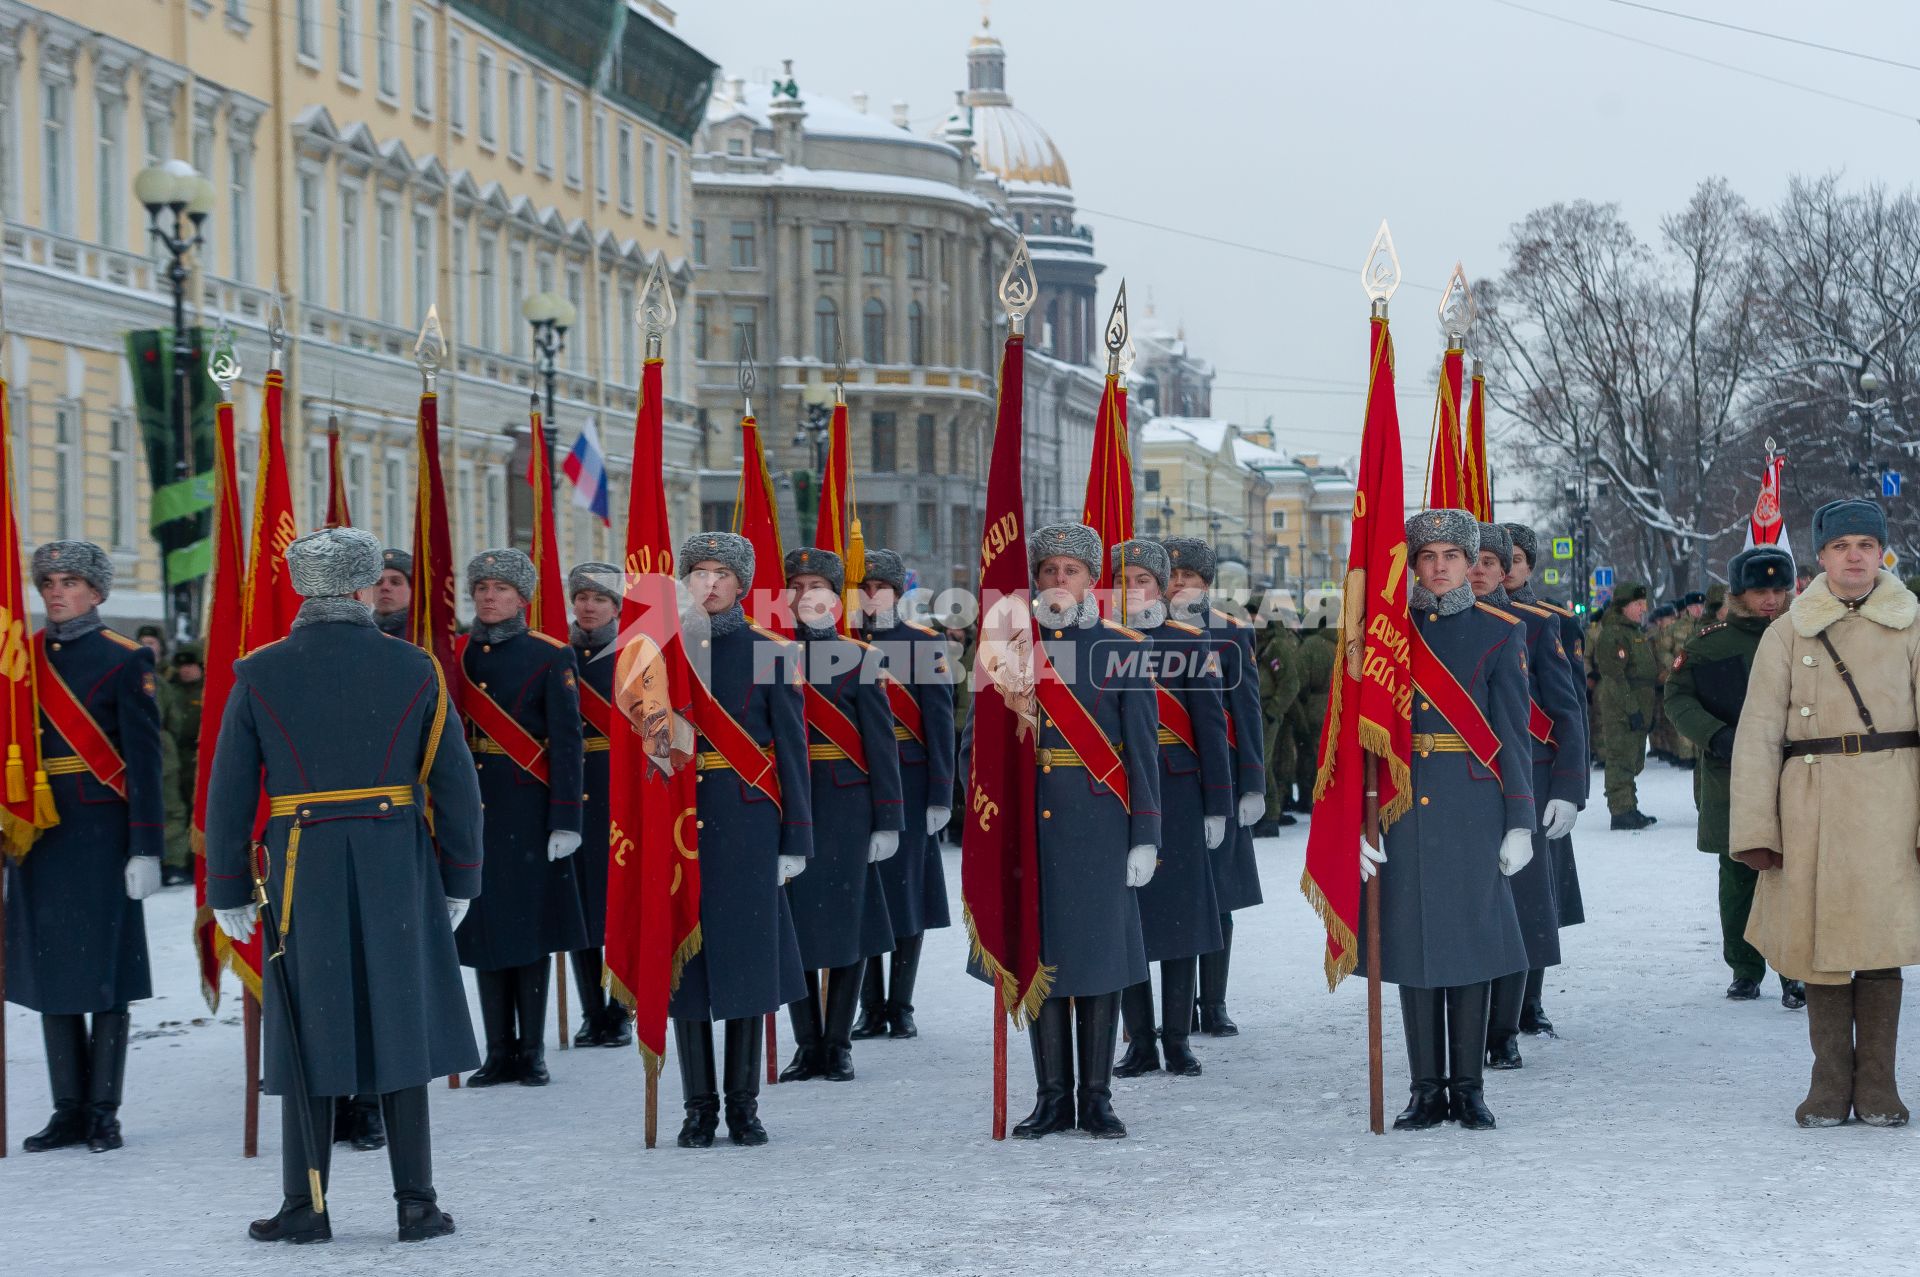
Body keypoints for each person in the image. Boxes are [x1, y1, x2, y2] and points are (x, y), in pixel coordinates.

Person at [206, 526, 479, 1244]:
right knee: (402, 1023)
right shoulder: (414, 666)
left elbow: (230, 788)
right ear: (365, 588)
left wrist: (228, 883)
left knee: (306, 1028)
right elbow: (455, 781)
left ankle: (306, 1201)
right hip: (396, 857)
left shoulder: (259, 671)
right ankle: (416, 1200)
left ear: (302, 587)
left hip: (302, 862)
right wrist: (462, 875)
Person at [614, 531, 810, 1146]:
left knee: (749, 967)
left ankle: (744, 1106)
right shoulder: (658, 653)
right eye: (698, 572)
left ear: (741, 584)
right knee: (687, 969)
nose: (710, 583)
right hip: (679, 819)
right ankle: (698, 1108)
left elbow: (793, 751)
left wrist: (794, 836)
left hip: (748, 823)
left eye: (722, 573)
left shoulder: (770, 651)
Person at [1731, 499, 1920, 1128]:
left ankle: (1880, 1087)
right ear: (1821, 556)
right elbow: (1757, 732)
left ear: (1882, 552)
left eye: (1866, 544)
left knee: (1880, 940)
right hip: (1808, 804)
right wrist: (1757, 827)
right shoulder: (1789, 630)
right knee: (1819, 947)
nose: (1855, 556)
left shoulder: (1912, 623)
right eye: (1841, 547)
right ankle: (1829, 1083)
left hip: (1892, 800)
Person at [982, 523, 1158, 1140]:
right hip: (1031, 827)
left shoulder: (1122, 646)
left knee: (1100, 963)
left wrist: (1146, 835)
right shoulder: (1007, 648)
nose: (1060, 581)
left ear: (1092, 581)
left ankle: (1097, 1096)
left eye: (1072, 571)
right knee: (1042, 956)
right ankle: (1053, 1097)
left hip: (1099, 823)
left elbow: (1142, 753)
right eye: (1050, 570)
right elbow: (978, 747)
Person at [1359, 510, 1533, 1132]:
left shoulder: (1499, 632)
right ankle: (1425, 1090)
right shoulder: (1386, 635)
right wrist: (1360, 818)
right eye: (1426, 556)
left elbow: (1513, 735)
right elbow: (1360, 737)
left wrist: (1519, 819)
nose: (1437, 568)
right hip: (1401, 812)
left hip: (1472, 807)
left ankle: (1469, 1088)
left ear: (1470, 563)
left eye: (1450, 557)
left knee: (1470, 948)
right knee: (1411, 949)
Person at [5, 542, 163, 1154]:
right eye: (47, 581)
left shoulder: (125, 659)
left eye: (69, 581)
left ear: (97, 592)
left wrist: (146, 848)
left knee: (106, 976)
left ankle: (104, 1111)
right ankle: (66, 1108)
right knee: (51, 971)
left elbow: (145, 765)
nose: (55, 591)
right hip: (40, 832)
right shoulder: (22, 660)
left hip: (101, 835)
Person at [454, 549, 587, 1088]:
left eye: (500, 589)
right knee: (485, 932)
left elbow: (568, 742)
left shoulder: (549, 655)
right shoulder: (455, 654)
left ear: (522, 599)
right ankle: (497, 1051)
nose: (489, 596)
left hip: (528, 806)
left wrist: (566, 817)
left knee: (528, 934)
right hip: (472, 807)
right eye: (482, 588)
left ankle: (530, 1051)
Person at [1107, 539, 1230, 1079]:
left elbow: (1211, 728)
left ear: (1160, 587)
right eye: (1123, 579)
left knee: (1179, 920)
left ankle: (1177, 1039)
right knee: (1128, 920)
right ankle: (1139, 1041)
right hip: (1120, 793)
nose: (1132, 589)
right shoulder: (1095, 643)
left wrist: (1218, 805)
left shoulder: (1189, 640)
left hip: (1179, 793)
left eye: (1143, 580)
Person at [778, 548, 902, 1082]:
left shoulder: (862, 656)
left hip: (849, 805)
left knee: (847, 927)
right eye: (798, 585)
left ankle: (839, 1040)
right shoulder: (770, 653)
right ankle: (808, 1043)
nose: (808, 594)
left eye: (818, 585)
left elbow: (882, 745)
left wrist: (888, 818)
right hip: (791, 804)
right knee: (795, 928)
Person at [1663, 545, 1803, 1007]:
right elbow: (1679, 700)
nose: (1771, 599)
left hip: (1795, 772)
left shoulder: (1804, 637)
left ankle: (1792, 968)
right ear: (1739, 593)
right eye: (1760, 590)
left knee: (1793, 871)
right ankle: (1745, 967)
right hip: (1730, 775)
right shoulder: (1710, 643)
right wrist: (1715, 735)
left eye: (1779, 590)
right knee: (1739, 871)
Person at [1468, 523, 1585, 1069]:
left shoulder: (1539, 627)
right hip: (1462, 782)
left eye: (1496, 562)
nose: (1484, 570)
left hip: (1529, 780)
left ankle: (1507, 1024)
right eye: (1478, 560)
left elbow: (1566, 712)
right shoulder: (1429, 628)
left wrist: (1568, 789)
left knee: (1522, 904)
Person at [1163, 537, 1267, 1036]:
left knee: (1218, 896)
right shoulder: (1138, 633)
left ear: (1208, 585)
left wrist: (1252, 783)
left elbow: (1247, 712)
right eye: (1174, 577)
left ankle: (1213, 1003)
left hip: (1219, 776)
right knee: (1170, 894)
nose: (1181, 585)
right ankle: (1167, 1014)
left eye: (1192, 579)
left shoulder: (1229, 632)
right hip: (1165, 778)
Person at [851, 547, 954, 1041]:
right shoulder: (841, 644)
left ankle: (901, 1003)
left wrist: (940, 794)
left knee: (907, 892)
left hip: (910, 781)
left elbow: (938, 724)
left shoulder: (925, 643)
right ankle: (870, 1006)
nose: (872, 597)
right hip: (855, 781)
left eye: (882, 588)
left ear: (898, 593)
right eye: (864, 588)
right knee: (863, 892)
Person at [1502, 523, 1586, 1032]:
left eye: (1513, 559)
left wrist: (1570, 788)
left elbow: (1571, 710)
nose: (1503, 568)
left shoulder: (1551, 622)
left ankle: (1529, 1002)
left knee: (1536, 896)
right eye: (1492, 558)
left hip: (1538, 775)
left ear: (1530, 566)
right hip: (1495, 774)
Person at [565, 561, 632, 1048]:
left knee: (620, 904)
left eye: (599, 599)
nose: (588, 607)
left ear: (616, 607)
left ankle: (621, 1007)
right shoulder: (557, 656)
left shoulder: (634, 657)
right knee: (581, 905)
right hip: (571, 788)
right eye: (581, 598)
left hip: (620, 786)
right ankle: (592, 1010)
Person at [1594, 582, 1659, 830]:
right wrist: (1631, 708)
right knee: (1621, 758)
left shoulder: (1633, 631)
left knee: (1633, 759)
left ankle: (1629, 805)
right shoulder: (1614, 634)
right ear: (1624, 606)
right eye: (1638, 604)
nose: (1644, 608)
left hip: (1638, 706)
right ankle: (1621, 811)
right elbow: (1614, 677)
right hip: (1622, 708)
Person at [159, 645, 204, 886]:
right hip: (177, 756)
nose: (185, 671)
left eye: (190, 665)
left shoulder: (207, 690)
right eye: (182, 666)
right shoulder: (171, 690)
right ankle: (179, 860)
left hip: (199, 756)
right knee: (178, 809)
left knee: (197, 808)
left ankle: (195, 860)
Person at [1255, 615, 1303, 833]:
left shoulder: (1275, 645)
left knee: (1263, 763)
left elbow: (1290, 682)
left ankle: (1270, 815)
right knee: (1265, 762)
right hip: (1260, 710)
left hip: (1267, 711)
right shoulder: (1260, 642)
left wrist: (1273, 711)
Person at [361, 548, 413, 637]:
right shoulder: (360, 635)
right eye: (378, 582)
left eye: (395, 582)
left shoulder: (427, 637)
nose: (385, 587)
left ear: (412, 590)